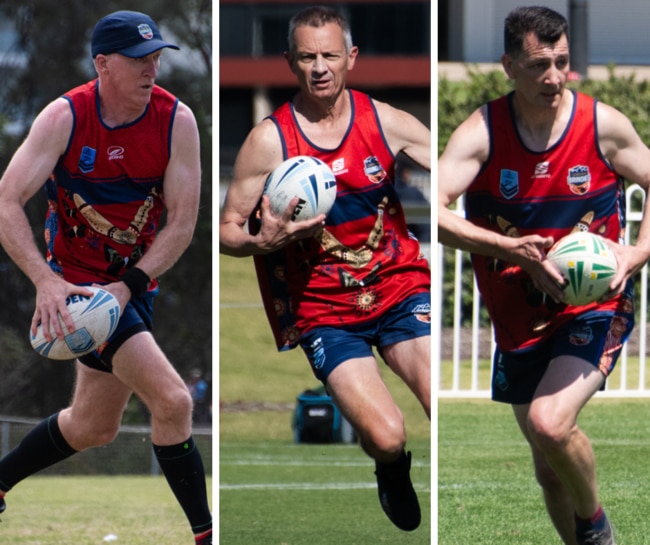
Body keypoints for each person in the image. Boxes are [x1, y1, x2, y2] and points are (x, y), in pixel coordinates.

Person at [438, 6, 650, 545]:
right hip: (517, 320)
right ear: (509, 65)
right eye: (539, 65)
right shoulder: (482, 133)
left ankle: (596, 527)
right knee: (547, 471)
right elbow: (435, 214)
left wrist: (635, 255)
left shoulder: (602, 125)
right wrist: (512, 248)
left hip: (593, 307)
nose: (553, 77)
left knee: (550, 422)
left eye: (561, 62)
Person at [0, 11, 211, 544]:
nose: (152, 70)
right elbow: (5, 200)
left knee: (94, 427)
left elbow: (183, 223)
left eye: (157, 59)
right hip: (76, 291)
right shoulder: (63, 117)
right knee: (174, 401)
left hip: (132, 285)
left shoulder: (176, 121)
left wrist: (130, 285)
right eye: (140, 61)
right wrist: (45, 281)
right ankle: (205, 535)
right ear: (103, 64)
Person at [220, 5, 431, 533]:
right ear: (290, 61)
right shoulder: (269, 141)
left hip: (400, 286)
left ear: (350, 58)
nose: (320, 67)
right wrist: (260, 239)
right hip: (325, 310)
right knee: (387, 435)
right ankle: (391, 468)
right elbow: (227, 229)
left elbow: (456, 169)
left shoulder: (384, 120)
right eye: (308, 56)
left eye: (330, 55)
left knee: (441, 402)